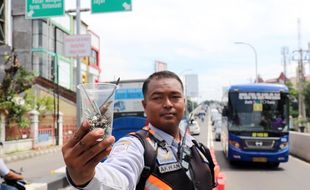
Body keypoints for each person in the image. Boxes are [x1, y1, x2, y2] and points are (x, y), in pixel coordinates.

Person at [62, 70, 215, 190]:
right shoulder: (136, 146)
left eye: (175, 97)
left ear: (184, 102)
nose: (168, 104)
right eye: (158, 98)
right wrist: (86, 176)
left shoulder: (198, 147)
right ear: (144, 105)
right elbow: (119, 178)